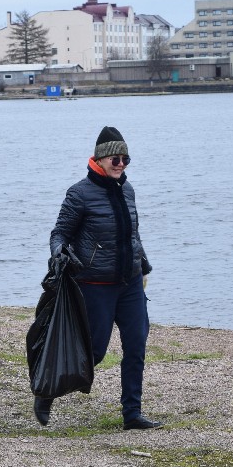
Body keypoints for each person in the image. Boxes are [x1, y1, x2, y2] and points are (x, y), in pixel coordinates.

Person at [45, 126, 161, 430]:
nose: (121, 164)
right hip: (95, 285)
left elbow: (132, 234)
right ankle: (47, 392)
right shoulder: (79, 193)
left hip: (130, 283)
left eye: (126, 159)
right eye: (116, 159)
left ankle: (132, 414)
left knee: (136, 345)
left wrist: (143, 264)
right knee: (93, 353)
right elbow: (59, 233)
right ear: (100, 159)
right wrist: (59, 252)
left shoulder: (128, 189)